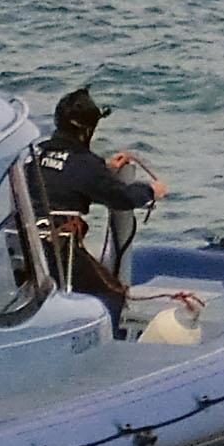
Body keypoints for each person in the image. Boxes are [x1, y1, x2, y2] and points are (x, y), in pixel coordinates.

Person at [33, 85, 158, 298]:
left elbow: (61, 174)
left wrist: (105, 169)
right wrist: (150, 190)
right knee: (113, 294)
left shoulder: (34, 155)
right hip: (55, 253)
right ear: (87, 130)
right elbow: (121, 198)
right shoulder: (85, 164)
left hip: (23, 247)